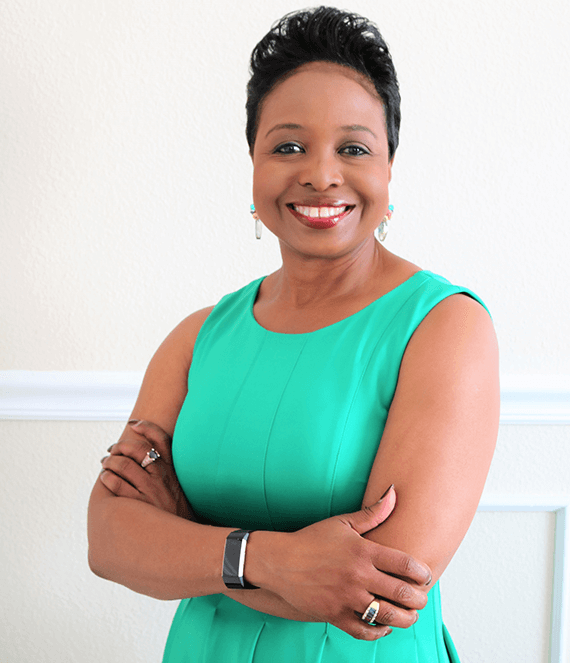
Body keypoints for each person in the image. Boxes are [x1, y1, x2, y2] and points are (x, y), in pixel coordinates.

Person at [87, 7, 499, 662]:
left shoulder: (446, 326)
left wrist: (187, 541)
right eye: (288, 145)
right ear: (253, 168)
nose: (321, 173)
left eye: (354, 148)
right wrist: (276, 559)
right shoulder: (197, 337)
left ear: (390, 171)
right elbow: (109, 542)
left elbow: (380, 589)